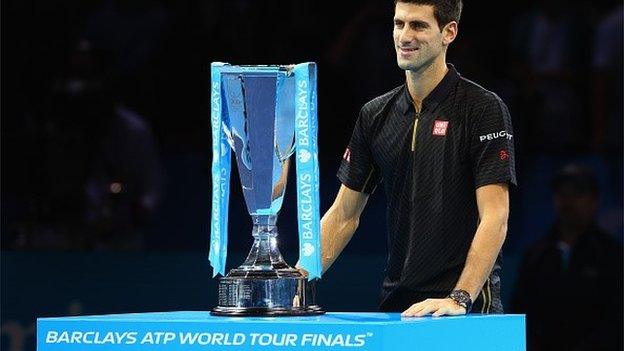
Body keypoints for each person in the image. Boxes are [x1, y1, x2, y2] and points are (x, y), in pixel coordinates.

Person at [301, 0, 516, 316]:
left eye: (418, 25)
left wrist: (459, 298)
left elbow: (495, 216)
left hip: (466, 310)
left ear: (449, 32)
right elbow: (343, 214)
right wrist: (296, 282)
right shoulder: (376, 115)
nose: (404, 36)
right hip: (398, 305)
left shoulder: (482, 109)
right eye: (398, 24)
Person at [511, 165, 623, 351]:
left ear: (594, 200)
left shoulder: (612, 255)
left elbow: (616, 320)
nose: (568, 201)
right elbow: (520, 309)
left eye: (577, 193)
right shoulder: (536, 255)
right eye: (562, 194)